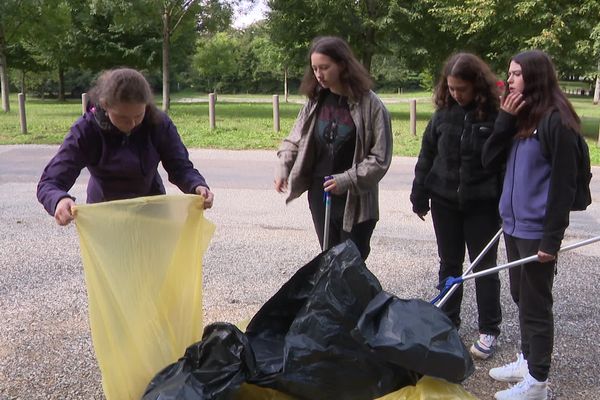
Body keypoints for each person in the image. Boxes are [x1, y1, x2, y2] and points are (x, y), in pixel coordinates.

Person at [482, 50, 581, 400]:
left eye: (516, 74)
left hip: (538, 230)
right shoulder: (520, 117)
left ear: (535, 77)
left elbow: (564, 185)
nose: (508, 80)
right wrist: (504, 120)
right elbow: (488, 160)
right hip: (512, 224)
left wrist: (551, 240)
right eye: (509, 74)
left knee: (536, 306)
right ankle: (527, 361)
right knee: (520, 296)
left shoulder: (556, 121)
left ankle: (538, 383)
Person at [410, 53, 503, 359]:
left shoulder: (496, 118)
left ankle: (489, 329)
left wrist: (504, 204)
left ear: (477, 85)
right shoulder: (441, 117)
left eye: (461, 89)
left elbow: (504, 165)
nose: (455, 94)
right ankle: (447, 321)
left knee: (484, 267)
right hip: (444, 202)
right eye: (450, 88)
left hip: (483, 205)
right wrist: (419, 195)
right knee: (449, 263)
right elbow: (426, 158)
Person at [37, 68, 214, 225]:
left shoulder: (159, 124)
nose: (132, 124)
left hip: (152, 212)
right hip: (105, 215)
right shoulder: (85, 130)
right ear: (105, 105)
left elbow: (180, 167)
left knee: (152, 262)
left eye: (138, 116)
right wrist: (59, 200)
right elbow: (50, 182)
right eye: (122, 117)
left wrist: (197, 185)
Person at [274, 36, 392, 260]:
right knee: (328, 259)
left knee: (350, 265)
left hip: (356, 199)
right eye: (315, 68)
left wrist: (346, 180)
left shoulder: (371, 105)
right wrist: (283, 167)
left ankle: (359, 297)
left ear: (342, 65)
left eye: (325, 68)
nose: (319, 74)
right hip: (320, 193)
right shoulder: (315, 101)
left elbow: (380, 158)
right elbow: (294, 139)